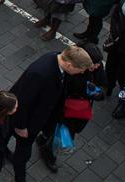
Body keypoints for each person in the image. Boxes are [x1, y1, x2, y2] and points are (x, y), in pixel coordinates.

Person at [9, 47, 94, 182]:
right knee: (23, 152)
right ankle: (20, 177)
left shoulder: (58, 59)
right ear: (70, 65)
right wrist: (21, 127)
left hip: (40, 114)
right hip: (27, 120)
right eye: (80, 70)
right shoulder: (40, 73)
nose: (81, 73)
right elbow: (22, 102)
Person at [36, 44, 106, 173]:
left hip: (78, 110)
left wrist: (98, 93)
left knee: (63, 131)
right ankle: (48, 152)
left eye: (98, 64)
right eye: (94, 63)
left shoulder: (96, 69)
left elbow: (103, 85)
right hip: (62, 109)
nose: (97, 66)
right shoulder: (71, 70)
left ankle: (45, 140)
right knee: (58, 131)